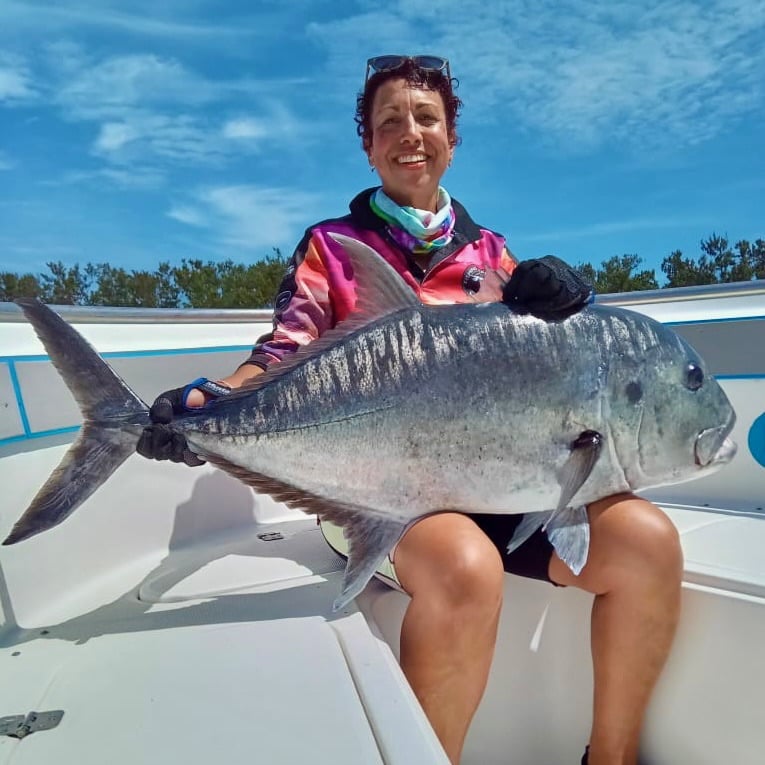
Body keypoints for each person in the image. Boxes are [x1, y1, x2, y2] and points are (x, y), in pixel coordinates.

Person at [137, 56, 683, 765]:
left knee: (646, 541)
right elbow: (283, 351)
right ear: (367, 144)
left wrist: (572, 300)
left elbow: (556, 375)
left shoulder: (492, 255)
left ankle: (610, 757)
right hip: (373, 489)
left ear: (452, 137)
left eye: (426, 118)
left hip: (500, 486)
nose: (409, 133)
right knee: (465, 565)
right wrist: (211, 404)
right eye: (389, 121)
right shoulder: (332, 247)